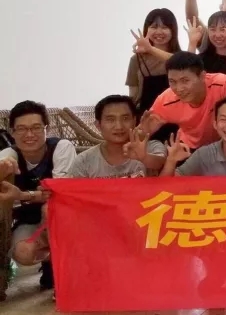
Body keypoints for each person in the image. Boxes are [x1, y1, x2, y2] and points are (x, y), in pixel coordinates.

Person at [0, 101, 75, 291]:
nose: (29, 134)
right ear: (12, 132)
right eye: (21, 129)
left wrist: (23, 195)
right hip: (29, 220)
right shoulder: (9, 155)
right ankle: (51, 260)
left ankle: (64, 268)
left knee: (50, 209)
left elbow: (62, 194)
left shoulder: (60, 147)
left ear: (46, 129)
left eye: (36, 127)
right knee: (24, 253)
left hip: (64, 217)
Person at [138, 51, 226, 149]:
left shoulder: (223, 85)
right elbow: (139, 134)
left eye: (185, 81)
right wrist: (143, 133)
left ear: (202, 76)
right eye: (172, 82)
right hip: (190, 148)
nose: (179, 89)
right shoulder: (166, 101)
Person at [68, 95, 166, 178]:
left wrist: (144, 157)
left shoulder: (152, 147)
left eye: (125, 118)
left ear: (134, 121)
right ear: (98, 125)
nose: (119, 126)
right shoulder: (84, 161)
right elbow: (71, 191)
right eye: (110, 120)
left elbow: (161, 163)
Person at [127, 8, 182, 114]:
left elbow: (181, 62)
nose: (159, 32)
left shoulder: (182, 57)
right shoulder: (136, 59)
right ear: (146, 29)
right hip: (146, 116)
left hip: (177, 115)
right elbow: (133, 96)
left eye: (164, 27)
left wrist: (150, 49)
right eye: (154, 27)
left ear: (173, 30)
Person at [200, 11, 226, 76]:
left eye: (223, 29)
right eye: (213, 29)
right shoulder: (201, 59)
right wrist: (192, 43)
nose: (217, 35)